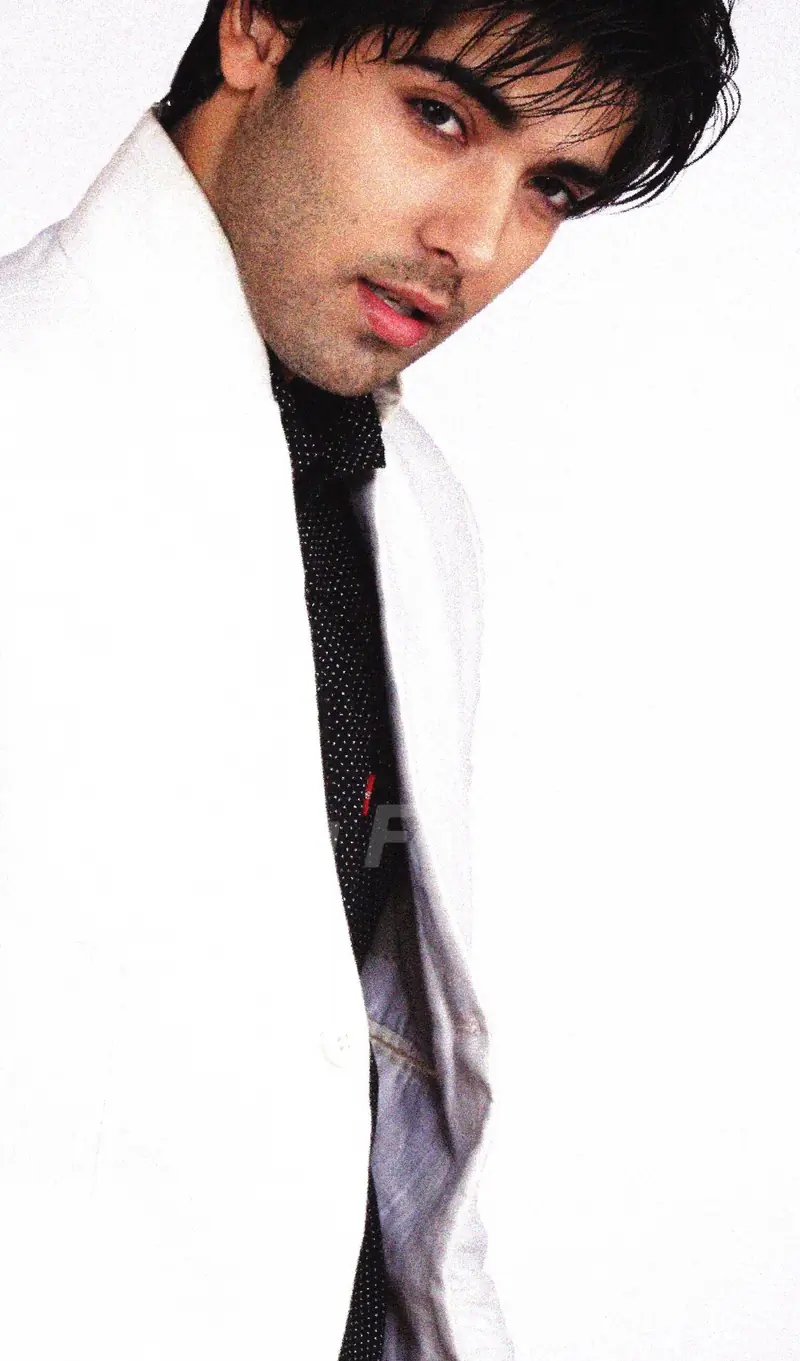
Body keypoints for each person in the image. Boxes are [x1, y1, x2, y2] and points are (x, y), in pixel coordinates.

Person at [0, 2, 739, 1358]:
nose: (477, 242)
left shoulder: (414, 509)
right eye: (441, 116)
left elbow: (383, 1076)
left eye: (552, 190)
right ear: (255, 31)